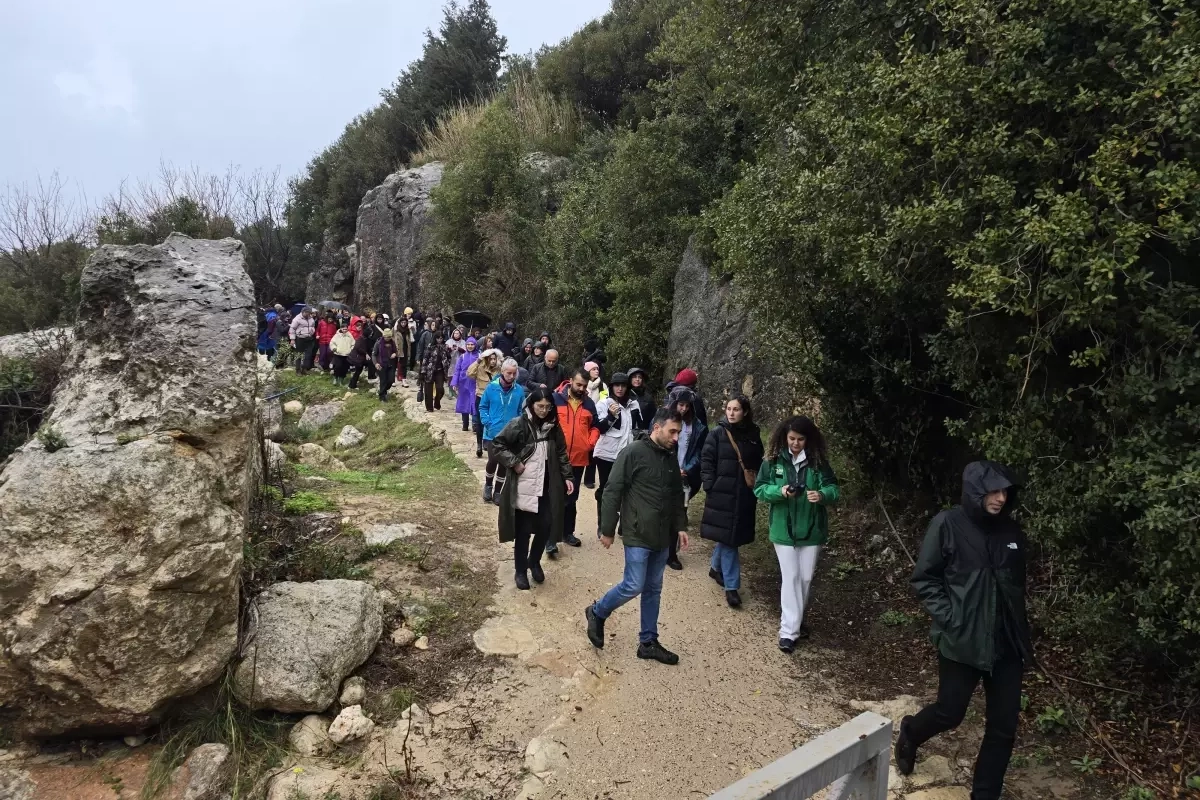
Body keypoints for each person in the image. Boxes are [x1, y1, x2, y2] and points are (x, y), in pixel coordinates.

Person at [895, 461, 1030, 800]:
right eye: (993, 491)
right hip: (962, 640)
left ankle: (984, 795)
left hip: (1006, 644)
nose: (1001, 498)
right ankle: (911, 732)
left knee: (1003, 728)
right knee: (949, 713)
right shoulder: (947, 524)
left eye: (1005, 492)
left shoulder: (1011, 531)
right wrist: (952, 618)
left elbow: (1016, 586)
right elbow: (925, 579)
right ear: (975, 491)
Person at [585, 407, 689, 665]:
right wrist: (608, 529)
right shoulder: (632, 453)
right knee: (633, 585)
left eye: (678, 432)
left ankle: (648, 642)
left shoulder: (669, 456)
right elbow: (612, 490)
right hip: (638, 531)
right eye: (672, 432)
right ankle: (597, 612)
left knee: (653, 588)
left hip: (662, 535)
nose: (676, 437)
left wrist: (681, 526)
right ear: (657, 427)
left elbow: (676, 494)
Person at [754, 416, 839, 653]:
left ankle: (797, 621)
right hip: (783, 529)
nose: (795, 443)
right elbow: (759, 488)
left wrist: (822, 495)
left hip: (812, 529)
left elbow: (834, 488)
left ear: (808, 439)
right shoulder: (772, 460)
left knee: (805, 578)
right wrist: (779, 491)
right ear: (784, 437)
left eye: (800, 439)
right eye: (792, 438)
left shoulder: (818, 462)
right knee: (791, 577)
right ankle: (788, 632)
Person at [491, 387, 574, 590]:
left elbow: (561, 451)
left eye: (547, 407)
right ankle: (520, 571)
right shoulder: (519, 424)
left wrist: (567, 476)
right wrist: (514, 462)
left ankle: (534, 561)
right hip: (524, 485)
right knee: (523, 530)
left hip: (547, 484)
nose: (544, 411)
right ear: (531, 405)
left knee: (546, 526)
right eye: (540, 406)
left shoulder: (553, 426)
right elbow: (497, 444)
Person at [700, 396, 764, 608]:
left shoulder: (753, 434)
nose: (731, 413)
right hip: (722, 494)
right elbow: (706, 459)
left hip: (744, 493)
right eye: (728, 408)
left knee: (730, 535)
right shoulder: (717, 433)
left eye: (736, 409)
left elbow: (758, 460)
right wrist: (710, 485)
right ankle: (732, 586)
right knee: (731, 541)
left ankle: (715, 567)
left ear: (745, 411)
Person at [548, 369, 600, 557]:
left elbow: (595, 426)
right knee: (554, 498)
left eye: (584, 386)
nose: (581, 389)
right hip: (556, 458)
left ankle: (567, 532)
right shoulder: (555, 399)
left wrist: (589, 443)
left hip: (578, 459)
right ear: (570, 381)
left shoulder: (589, 404)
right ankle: (550, 539)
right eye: (578, 384)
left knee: (571, 498)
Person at [665, 386, 708, 570]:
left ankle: (671, 553)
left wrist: (686, 469)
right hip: (665, 471)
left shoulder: (697, 426)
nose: (683, 409)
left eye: (687, 405)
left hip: (684, 475)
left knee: (679, 511)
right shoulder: (664, 419)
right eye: (680, 404)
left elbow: (699, 452)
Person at [592, 372, 638, 537]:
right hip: (606, 454)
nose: (620, 388)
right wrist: (611, 416)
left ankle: (623, 525)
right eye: (616, 385)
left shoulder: (634, 405)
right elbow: (600, 428)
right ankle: (603, 525)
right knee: (606, 490)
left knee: (627, 490)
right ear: (611, 387)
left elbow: (637, 428)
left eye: (623, 385)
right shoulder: (604, 403)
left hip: (627, 455)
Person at [479, 358, 527, 504]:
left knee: (505, 463)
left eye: (514, 373)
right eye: (508, 373)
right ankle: (488, 485)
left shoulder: (519, 390)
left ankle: (498, 491)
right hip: (493, 433)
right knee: (493, 460)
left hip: (510, 434)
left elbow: (521, 410)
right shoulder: (491, 387)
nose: (511, 376)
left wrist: (519, 426)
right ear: (502, 371)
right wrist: (487, 422)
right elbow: (483, 406)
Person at [468, 349, 501, 458]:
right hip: (481, 396)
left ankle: (487, 442)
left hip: (494, 398)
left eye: (494, 359)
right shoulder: (480, 367)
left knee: (493, 421)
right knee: (480, 421)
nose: (493, 361)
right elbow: (469, 373)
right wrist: (478, 360)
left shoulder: (499, 369)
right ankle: (479, 444)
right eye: (490, 359)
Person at [582, 361, 608, 488]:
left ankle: (589, 479)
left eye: (597, 369)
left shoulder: (602, 386)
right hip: (582, 418)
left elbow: (605, 401)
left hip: (595, 419)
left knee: (593, 449)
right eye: (593, 369)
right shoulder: (582, 383)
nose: (596, 371)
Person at [452, 337, 480, 431]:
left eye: (472, 344)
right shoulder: (462, 357)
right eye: (468, 344)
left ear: (475, 345)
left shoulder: (479, 356)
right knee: (464, 403)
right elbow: (457, 370)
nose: (470, 346)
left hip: (475, 383)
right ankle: (465, 424)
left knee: (475, 403)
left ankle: (475, 424)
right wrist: (455, 383)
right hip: (463, 383)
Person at [420, 329, 451, 412]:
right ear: (435, 338)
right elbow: (425, 359)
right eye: (438, 338)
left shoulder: (445, 347)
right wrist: (423, 371)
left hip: (440, 371)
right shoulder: (430, 346)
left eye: (441, 338)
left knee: (440, 389)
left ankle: (437, 402)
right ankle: (429, 407)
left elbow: (449, 358)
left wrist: (446, 364)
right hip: (429, 370)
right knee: (428, 390)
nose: (439, 340)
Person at [372, 328, 400, 402]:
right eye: (386, 337)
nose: (387, 338)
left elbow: (396, 351)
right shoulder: (378, 343)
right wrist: (376, 363)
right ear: (383, 336)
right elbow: (374, 354)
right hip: (381, 364)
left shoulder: (392, 343)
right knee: (383, 381)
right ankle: (382, 397)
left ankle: (383, 391)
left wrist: (395, 354)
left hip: (390, 364)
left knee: (391, 380)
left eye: (389, 337)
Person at [289, 307, 317, 374]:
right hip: (300, 338)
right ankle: (298, 370)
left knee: (308, 354)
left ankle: (304, 369)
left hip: (309, 338)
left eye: (309, 313)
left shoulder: (311, 319)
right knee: (299, 354)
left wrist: (312, 331)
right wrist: (292, 339)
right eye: (306, 312)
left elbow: (313, 326)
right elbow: (292, 329)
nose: (308, 314)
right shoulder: (297, 319)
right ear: (303, 312)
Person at [347, 322, 374, 390]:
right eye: (371, 333)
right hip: (357, 358)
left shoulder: (366, 338)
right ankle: (371, 377)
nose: (371, 334)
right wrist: (366, 353)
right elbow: (358, 348)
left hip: (360, 358)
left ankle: (352, 385)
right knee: (359, 370)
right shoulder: (361, 338)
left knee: (358, 371)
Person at [329, 322, 355, 387]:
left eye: (346, 329)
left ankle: (341, 380)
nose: (345, 330)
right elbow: (332, 343)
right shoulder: (337, 335)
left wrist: (351, 350)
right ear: (341, 328)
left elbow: (353, 344)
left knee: (344, 368)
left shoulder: (350, 335)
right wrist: (334, 348)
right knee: (338, 366)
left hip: (347, 354)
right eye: (343, 329)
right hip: (338, 354)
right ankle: (335, 378)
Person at [447, 328, 467, 398]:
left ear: (460, 334)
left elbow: (465, 351)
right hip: (451, 361)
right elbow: (445, 350)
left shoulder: (463, 342)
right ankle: (450, 390)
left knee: (458, 375)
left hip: (459, 361)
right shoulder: (449, 341)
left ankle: (456, 390)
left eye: (457, 333)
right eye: (455, 333)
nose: (456, 335)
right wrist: (450, 349)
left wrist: (458, 348)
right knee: (450, 376)